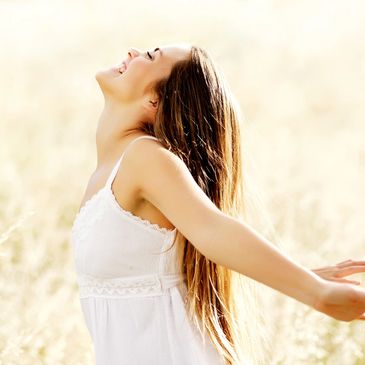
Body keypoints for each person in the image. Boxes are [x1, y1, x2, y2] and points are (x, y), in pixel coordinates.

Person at [70, 43, 365, 365]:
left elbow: (212, 230)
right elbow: (174, 269)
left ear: (155, 101)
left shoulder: (145, 158)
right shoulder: (110, 169)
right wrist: (300, 274)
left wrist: (316, 293)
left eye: (151, 56)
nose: (132, 52)